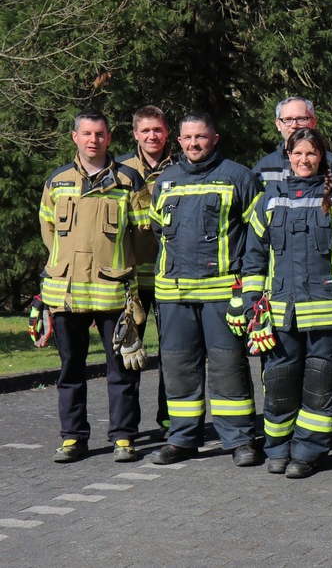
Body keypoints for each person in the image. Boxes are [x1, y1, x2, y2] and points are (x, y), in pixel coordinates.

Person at [241, 127, 332, 478]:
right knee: (279, 382)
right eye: (297, 154)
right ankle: (278, 449)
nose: (304, 160)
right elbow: (253, 256)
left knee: (319, 384)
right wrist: (253, 302)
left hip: (327, 311)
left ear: (321, 157)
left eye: (311, 154)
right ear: (288, 157)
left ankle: (309, 451)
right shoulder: (269, 199)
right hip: (279, 312)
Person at [144, 111, 262, 467]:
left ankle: (239, 439)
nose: (194, 144)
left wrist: (248, 286)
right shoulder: (166, 181)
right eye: (187, 138)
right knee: (178, 369)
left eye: (201, 137)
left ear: (215, 138)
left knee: (229, 368)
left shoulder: (239, 177)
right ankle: (182, 439)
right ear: (178, 142)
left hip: (222, 293)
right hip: (174, 295)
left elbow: (257, 234)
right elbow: (157, 232)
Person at [38, 109, 151, 463]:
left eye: (99, 134)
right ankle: (73, 438)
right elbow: (48, 233)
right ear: (75, 137)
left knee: (122, 370)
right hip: (67, 294)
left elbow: (145, 236)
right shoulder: (56, 181)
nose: (93, 140)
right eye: (86, 134)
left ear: (109, 138)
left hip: (114, 293)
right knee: (71, 369)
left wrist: (122, 267)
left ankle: (124, 438)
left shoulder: (129, 180)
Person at [116, 105, 175, 433]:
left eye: (158, 130)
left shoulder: (182, 167)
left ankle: (169, 419)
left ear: (166, 133)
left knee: (172, 351)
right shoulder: (119, 169)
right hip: (131, 277)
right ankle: (127, 427)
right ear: (136, 133)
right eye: (146, 130)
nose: (153, 136)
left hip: (170, 274)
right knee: (129, 349)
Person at [252, 96, 332, 186]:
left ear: (313, 122)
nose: (294, 125)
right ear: (278, 124)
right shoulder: (264, 167)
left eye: (301, 119)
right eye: (288, 119)